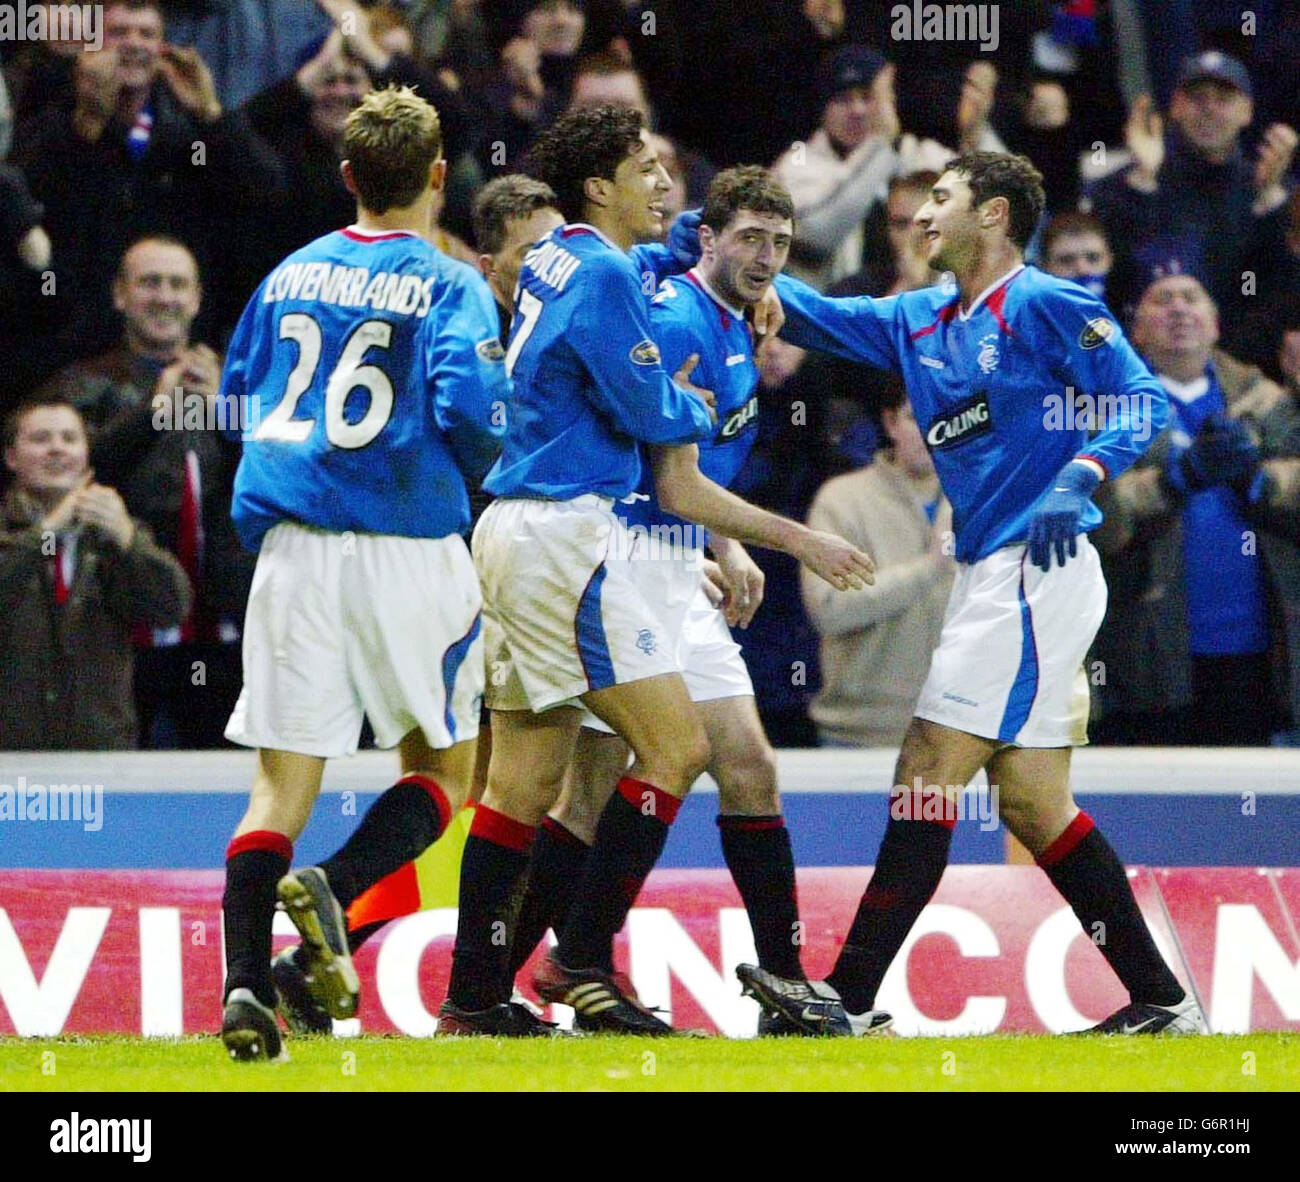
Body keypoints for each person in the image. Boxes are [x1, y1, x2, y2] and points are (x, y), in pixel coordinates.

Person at [738, 151, 1206, 1039]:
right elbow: (821, 315)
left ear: (991, 216)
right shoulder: (918, 318)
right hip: (990, 574)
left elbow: (1141, 398)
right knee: (1032, 800)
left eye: (941, 201)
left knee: (925, 773)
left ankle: (844, 998)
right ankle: (1163, 1000)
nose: (920, 218)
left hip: (1037, 566)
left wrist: (1083, 471)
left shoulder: (1045, 303)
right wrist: (717, 258)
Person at [441, 105, 873, 1036]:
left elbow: (665, 246)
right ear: (600, 185)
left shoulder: (573, 253)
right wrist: (781, 529)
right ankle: (573, 958)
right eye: (645, 168)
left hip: (532, 524)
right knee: (667, 753)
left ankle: (480, 993)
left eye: (779, 242)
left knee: (528, 779)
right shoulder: (629, 288)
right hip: (590, 538)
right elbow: (661, 431)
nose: (661, 184)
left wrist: (716, 261)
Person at [216, 85, 507, 1062]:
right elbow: (471, 409)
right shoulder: (449, 282)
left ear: (346, 177)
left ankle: (246, 991)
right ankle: (337, 890)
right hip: (406, 546)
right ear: (436, 176)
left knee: (276, 791)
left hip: (294, 548)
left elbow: (238, 394)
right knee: (444, 769)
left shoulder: (288, 274)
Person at [37, 236, 252, 748]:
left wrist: (229, 414)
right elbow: (71, 469)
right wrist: (154, 411)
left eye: (178, 284)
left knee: (226, 790)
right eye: (149, 282)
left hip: (224, 626)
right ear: (120, 295)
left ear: (197, 299)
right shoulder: (84, 383)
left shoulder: (236, 382)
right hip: (124, 623)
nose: (164, 296)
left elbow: (281, 478)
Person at [1091, 270, 1300, 746]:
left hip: (1258, 654)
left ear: (1216, 324)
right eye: (1161, 300)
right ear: (1137, 330)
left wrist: (1262, 481)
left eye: (1191, 298)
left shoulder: (1271, 403)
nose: (1178, 309)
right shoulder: (1103, 409)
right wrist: (1172, 481)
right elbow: (1092, 510)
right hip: (1147, 655)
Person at [15, 0, 280, 371]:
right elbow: (29, 201)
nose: (133, 44)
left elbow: (267, 191)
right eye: (118, 33)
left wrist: (212, 116)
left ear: (162, 49)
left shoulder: (187, 131)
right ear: (89, 46)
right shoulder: (51, 114)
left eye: (147, 34)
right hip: (67, 342)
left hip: (173, 341)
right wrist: (86, 126)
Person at [0, 398, 190, 749]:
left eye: (69, 439)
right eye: (41, 438)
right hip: (11, 750)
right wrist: (48, 532)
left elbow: (170, 609)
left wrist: (130, 542)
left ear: (86, 454)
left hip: (100, 749)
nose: (57, 448)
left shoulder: (116, 534)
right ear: (11, 457)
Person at [1085, 51, 1298, 348]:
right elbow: (1115, 277)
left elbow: (1280, 293)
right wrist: (1144, 183)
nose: (1209, 109)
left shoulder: (1274, 188)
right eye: (1197, 97)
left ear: (1247, 111)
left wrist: (1270, 204)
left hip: (1249, 364)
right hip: (1146, 360)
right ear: (1175, 106)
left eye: (1223, 99)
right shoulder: (1124, 186)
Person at [803, 384, 954, 748]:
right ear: (889, 421)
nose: (931, 431)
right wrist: (931, 566)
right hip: (859, 733)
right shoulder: (841, 501)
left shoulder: (986, 498)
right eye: (917, 417)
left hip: (964, 732)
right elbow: (830, 609)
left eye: (944, 417)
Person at [1038, 210, 1115, 304]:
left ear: (1109, 260)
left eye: (1093, 258)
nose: (1083, 270)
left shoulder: (1132, 312)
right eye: (1066, 260)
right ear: (1044, 267)